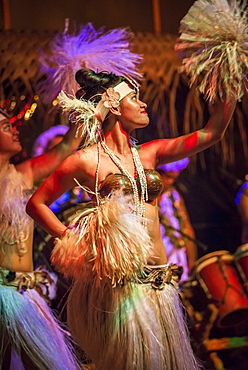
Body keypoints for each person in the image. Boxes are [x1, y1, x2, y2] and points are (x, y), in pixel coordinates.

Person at [26, 67, 237, 370]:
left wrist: (227, 90)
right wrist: (73, 240)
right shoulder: (86, 160)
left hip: (159, 283)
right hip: (121, 290)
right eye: (134, 98)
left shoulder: (150, 154)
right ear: (113, 105)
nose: (143, 104)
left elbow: (211, 133)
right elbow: (37, 204)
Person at [0, 107, 82, 369]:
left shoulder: (23, 174)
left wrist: (95, 109)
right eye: (3, 126)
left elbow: (66, 146)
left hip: (25, 293)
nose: (14, 129)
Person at [157, 158, 197, 282]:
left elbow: (186, 229)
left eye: (174, 178)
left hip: (179, 259)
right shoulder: (145, 199)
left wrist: (192, 265)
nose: (171, 181)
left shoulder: (174, 196)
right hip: (159, 261)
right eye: (168, 177)